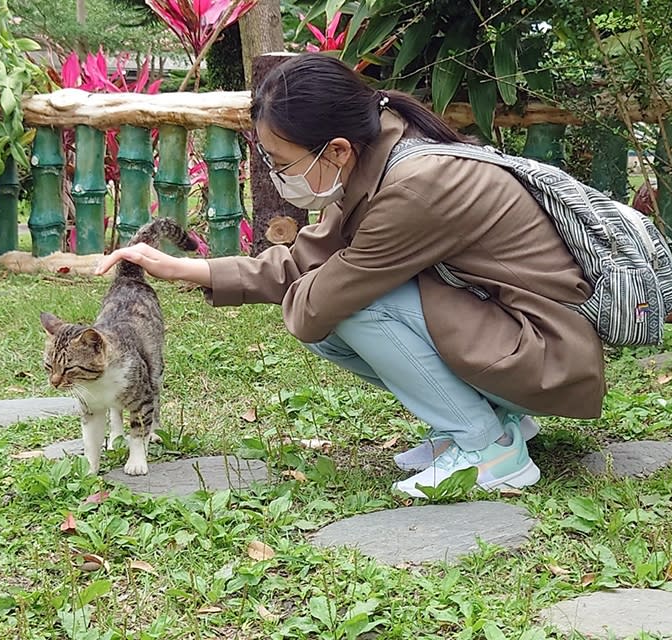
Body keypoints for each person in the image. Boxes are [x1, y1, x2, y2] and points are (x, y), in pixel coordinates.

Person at [96, 53, 606, 498]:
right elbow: (308, 259)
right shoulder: (375, 158)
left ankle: (491, 450)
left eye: (278, 160)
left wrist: (307, 294)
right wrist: (186, 267)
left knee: (356, 306)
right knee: (340, 304)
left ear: (335, 149)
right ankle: (493, 421)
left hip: (548, 357)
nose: (274, 175)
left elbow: (321, 299)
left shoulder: (413, 187)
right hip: (518, 340)